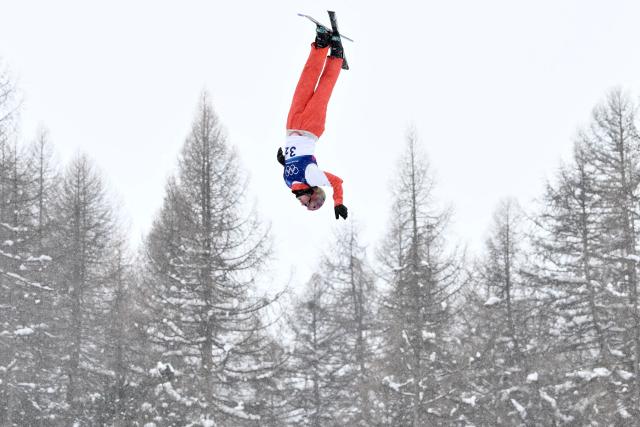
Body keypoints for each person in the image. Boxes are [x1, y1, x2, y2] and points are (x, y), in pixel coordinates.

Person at [277, 25, 348, 220]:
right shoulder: (312, 177)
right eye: (308, 204)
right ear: (313, 194)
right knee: (323, 90)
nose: (302, 204)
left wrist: (285, 162)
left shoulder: (288, 182)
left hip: (292, 125)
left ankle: (321, 44)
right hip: (310, 128)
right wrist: (338, 202)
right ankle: (335, 57)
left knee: (305, 81)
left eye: (305, 206)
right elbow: (337, 182)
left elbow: (292, 164)